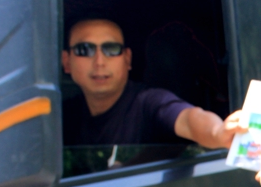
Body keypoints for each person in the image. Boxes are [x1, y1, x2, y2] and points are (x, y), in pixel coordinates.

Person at [61, 18, 244, 149]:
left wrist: (217, 132)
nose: (99, 61)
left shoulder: (149, 102)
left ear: (127, 59)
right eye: (84, 50)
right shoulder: (64, 114)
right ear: (66, 61)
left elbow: (188, 119)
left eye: (112, 49)